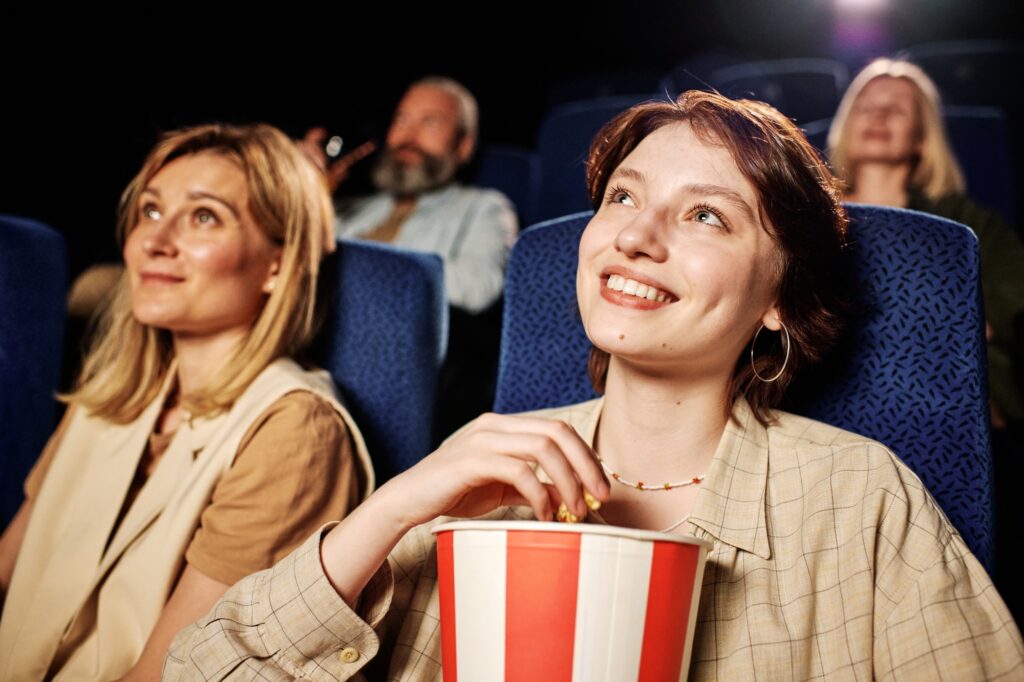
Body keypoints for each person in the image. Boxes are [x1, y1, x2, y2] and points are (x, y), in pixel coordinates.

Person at [167, 92, 1023, 680]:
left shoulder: (862, 498)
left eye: (705, 215)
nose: (636, 237)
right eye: (622, 198)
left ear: (778, 301)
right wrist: (391, 510)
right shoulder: (464, 478)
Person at [0, 124, 375, 681]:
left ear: (277, 263)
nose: (154, 241)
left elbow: (170, 674)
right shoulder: (111, 392)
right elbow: (6, 573)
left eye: (204, 216)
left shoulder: (296, 429)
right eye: (150, 211)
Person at [827, 57, 1024, 428]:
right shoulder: (808, 216)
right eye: (865, 106)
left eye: (897, 109)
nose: (879, 115)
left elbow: (1013, 299)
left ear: (921, 136)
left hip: (945, 394)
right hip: (831, 393)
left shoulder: (967, 221)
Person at [302, 76, 518, 315]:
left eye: (430, 123)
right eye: (401, 119)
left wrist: (355, 264)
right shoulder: (353, 207)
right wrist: (303, 192)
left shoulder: (485, 208)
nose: (408, 136)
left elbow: (478, 289)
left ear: (463, 146)